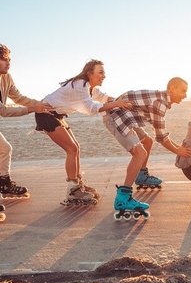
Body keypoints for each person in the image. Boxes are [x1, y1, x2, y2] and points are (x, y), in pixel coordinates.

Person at [35, 59, 132, 205]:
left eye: (104, 72)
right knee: (71, 149)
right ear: (89, 73)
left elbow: (106, 98)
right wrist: (117, 104)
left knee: (76, 148)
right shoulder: (81, 85)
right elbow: (91, 109)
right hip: (45, 114)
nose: (104, 75)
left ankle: (77, 185)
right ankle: (72, 191)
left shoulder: (91, 88)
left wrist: (127, 102)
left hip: (55, 115)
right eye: (100, 72)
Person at [104, 77, 191, 219]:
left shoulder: (161, 99)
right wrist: (178, 150)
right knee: (140, 153)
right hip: (116, 117)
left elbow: (158, 134)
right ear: (172, 89)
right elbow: (161, 137)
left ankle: (141, 175)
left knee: (147, 142)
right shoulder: (160, 103)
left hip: (127, 116)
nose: (185, 95)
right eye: (183, 91)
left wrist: (178, 147)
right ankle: (123, 197)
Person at [0, 44, 52, 199]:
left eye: (9, 59)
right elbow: (3, 111)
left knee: (5, 149)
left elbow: (19, 98)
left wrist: (40, 104)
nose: (8, 63)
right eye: (3, 59)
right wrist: (33, 109)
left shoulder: (6, 77)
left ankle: (4, 184)